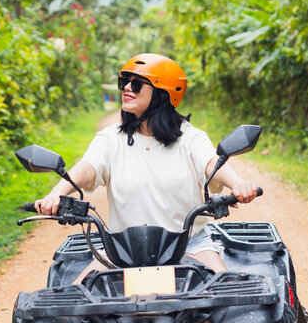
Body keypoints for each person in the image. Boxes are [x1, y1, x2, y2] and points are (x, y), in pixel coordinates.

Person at [34, 53, 258, 273]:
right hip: (122, 249)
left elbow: (210, 162)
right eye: (124, 82)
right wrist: (56, 193)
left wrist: (238, 184)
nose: (127, 88)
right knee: (78, 304)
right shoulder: (109, 139)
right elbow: (87, 168)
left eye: (138, 84)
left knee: (226, 294)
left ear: (163, 93)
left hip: (189, 245)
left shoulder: (190, 138)